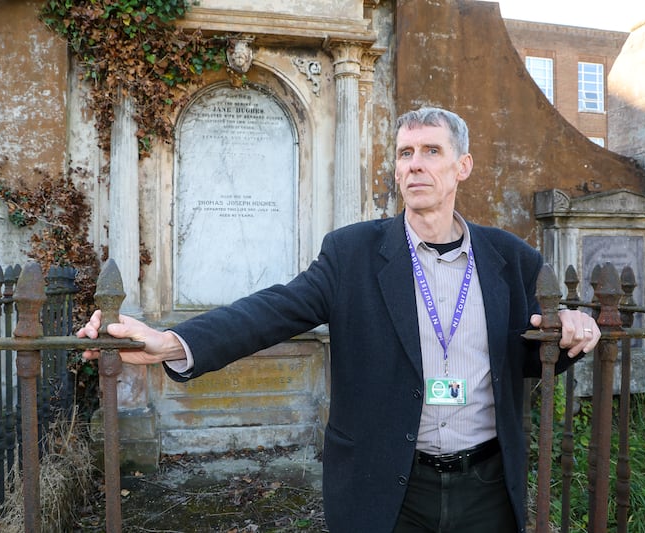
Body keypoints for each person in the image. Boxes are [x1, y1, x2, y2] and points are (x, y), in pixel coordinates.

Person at [78, 106, 600, 533]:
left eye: (431, 152)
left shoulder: (510, 258)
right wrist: (170, 341)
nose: (415, 165)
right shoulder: (352, 253)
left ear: (462, 166)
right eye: (405, 153)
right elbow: (273, 310)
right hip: (388, 487)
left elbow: (539, 348)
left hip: (486, 487)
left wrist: (579, 327)